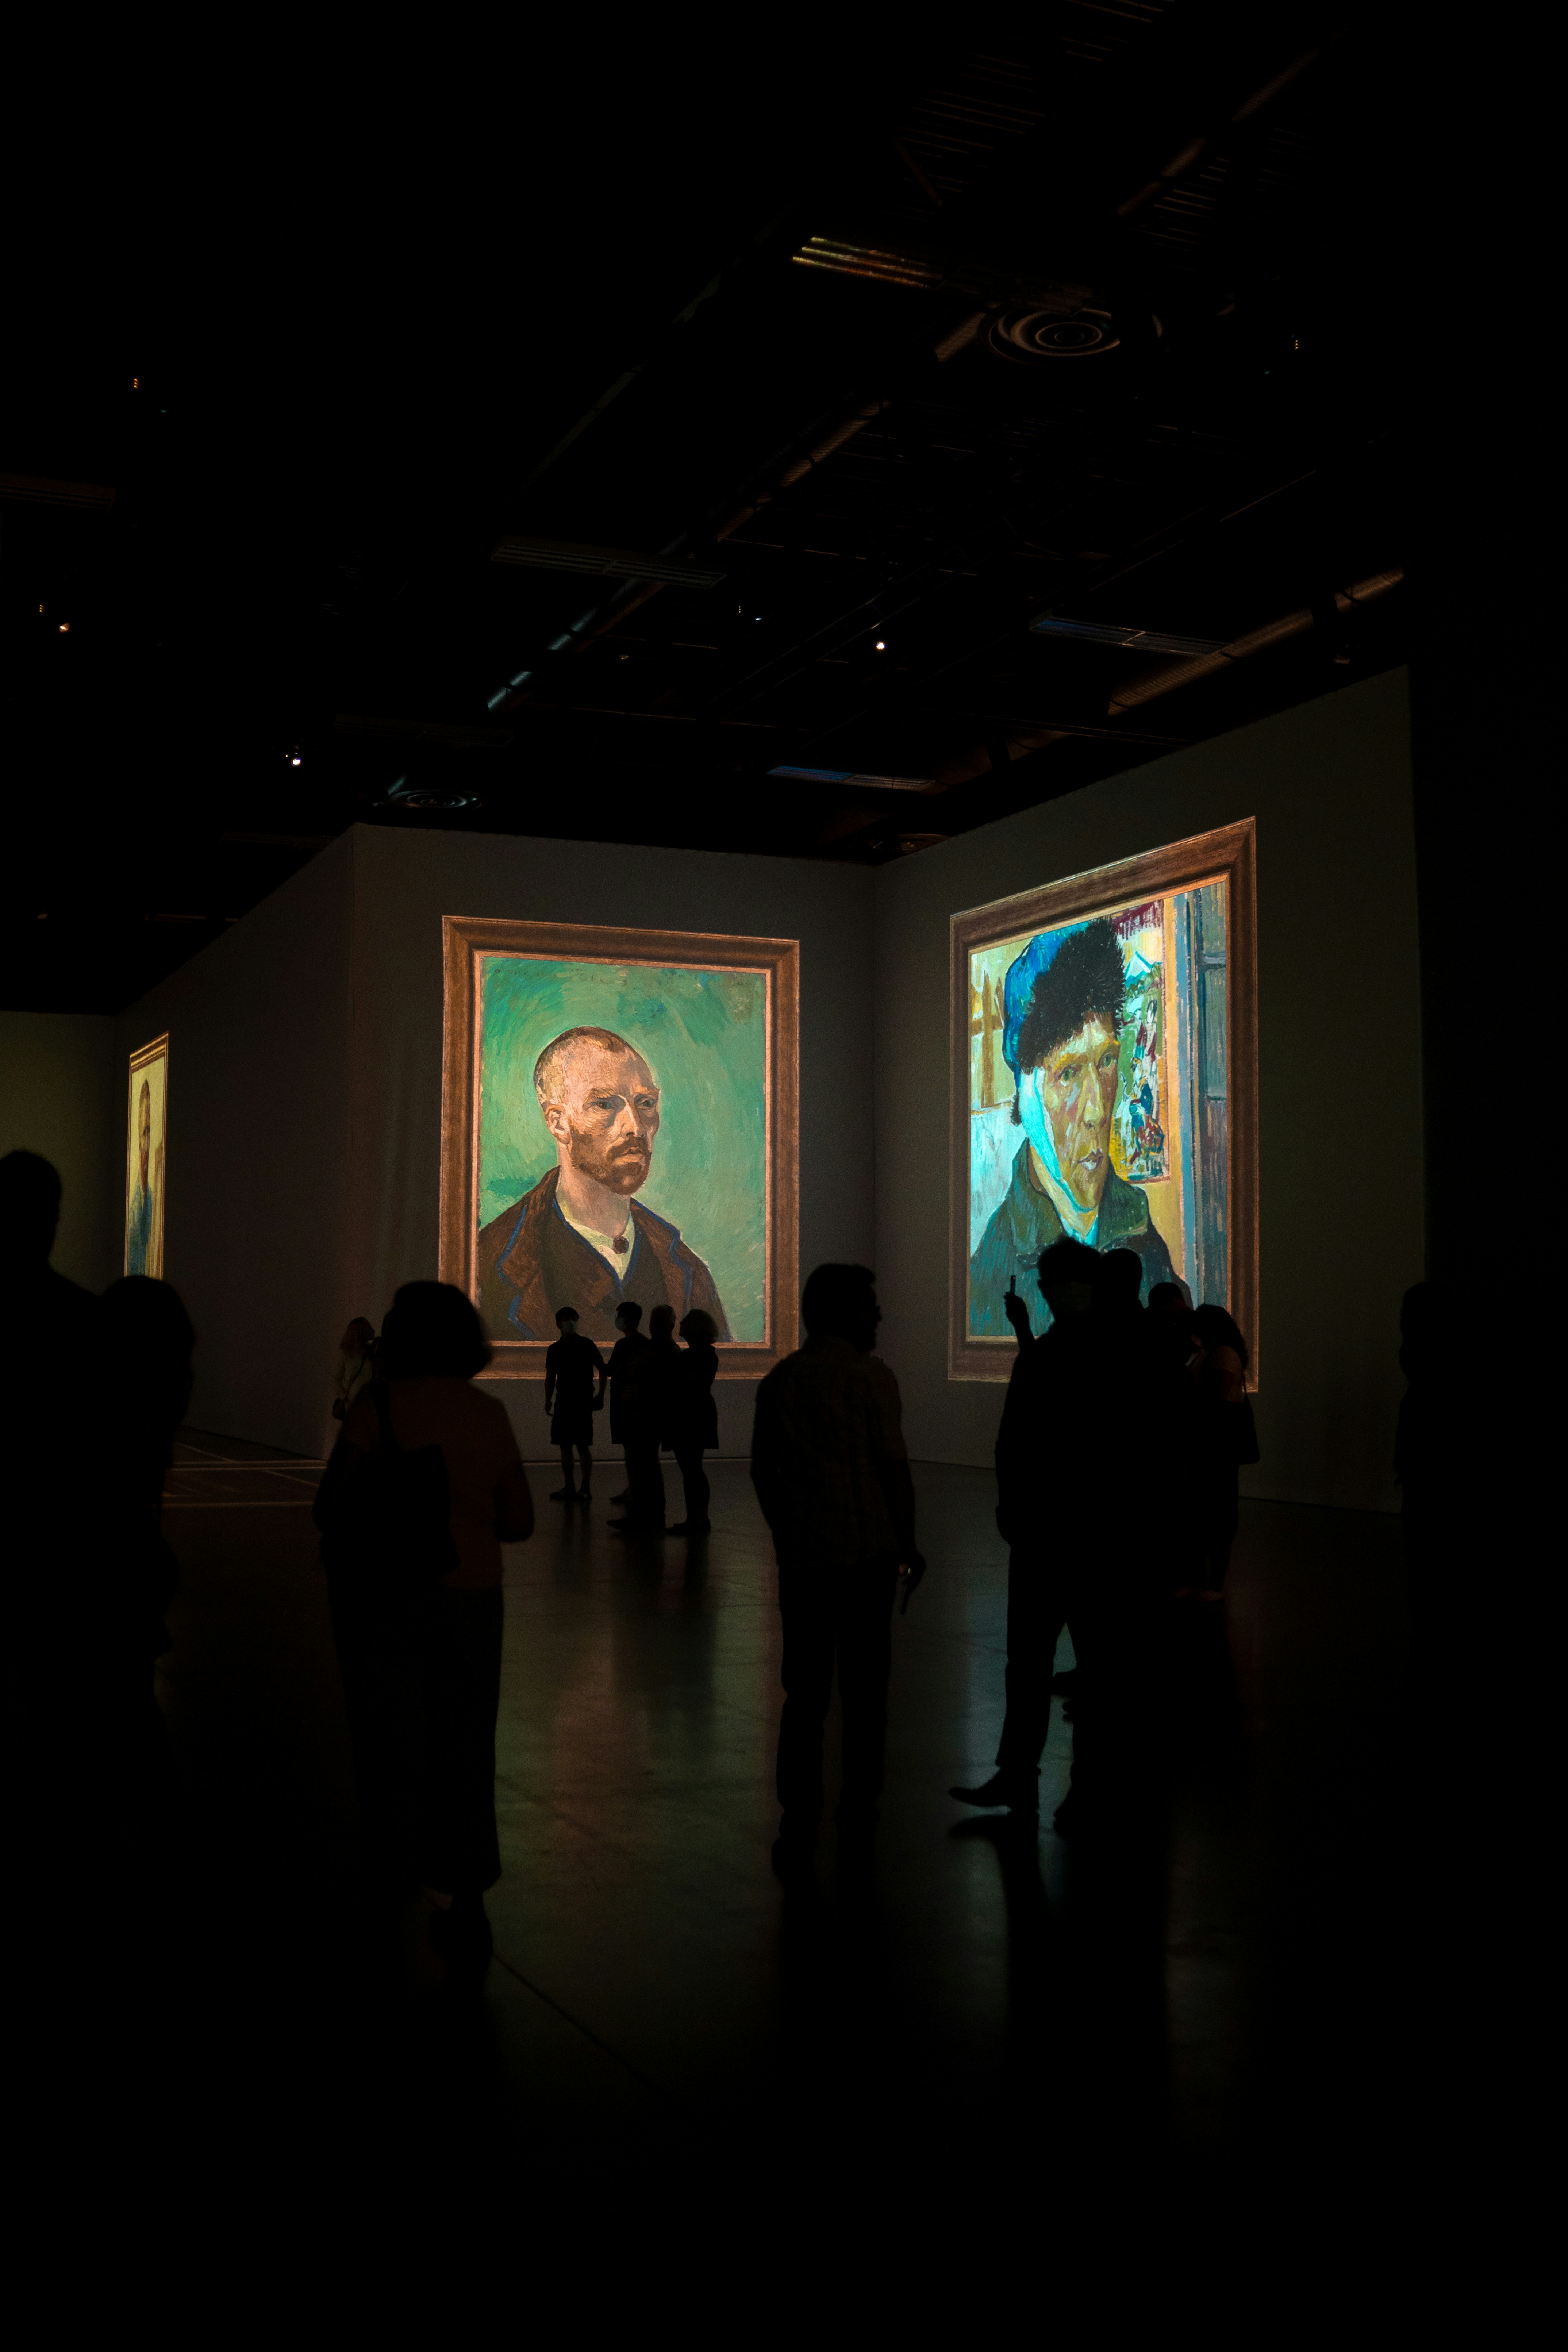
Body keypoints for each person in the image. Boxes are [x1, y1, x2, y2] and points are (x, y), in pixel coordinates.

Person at [314, 1280, 533, 1979]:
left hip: (383, 1592)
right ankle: (463, 1890)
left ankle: (389, 1884)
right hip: (472, 1595)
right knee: (464, 1743)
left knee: (386, 1743)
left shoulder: (380, 1406)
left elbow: (331, 1506)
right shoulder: (488, 1412)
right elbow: (519, 1520)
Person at [952, 1236, 1177, 1834]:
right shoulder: (1100, 1351)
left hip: (1074, 1537)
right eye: (1058, 1279)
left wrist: (1014, 1507)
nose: (1062, 1289)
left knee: (1065, 1666)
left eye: (1066, 1279)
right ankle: (1046, 1780)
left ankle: (1059, 1782)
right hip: (1069, 1536)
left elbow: (1024, 1439)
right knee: (1055, 1665)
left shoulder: (1094, 1353)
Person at [750, 1263, 925, 1879]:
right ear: (842, 1313)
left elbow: (763, 1472)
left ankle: (798, 1814)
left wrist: (788, 1532)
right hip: (866, 1557)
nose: (877, 1315)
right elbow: (893, 1468)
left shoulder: (780, 1381)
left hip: (804, 1561)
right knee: (864, 1691)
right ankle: (859, 1806)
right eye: (867, 1305)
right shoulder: (870, 1378)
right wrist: (907, 1540)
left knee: (804, 1694)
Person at [969, 919, 1177, 1337]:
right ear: (1027, 1091)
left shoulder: (1144, 1236)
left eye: (1105, 1062)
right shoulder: (993, 1271)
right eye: (1068, 1073)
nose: (1098, 1110)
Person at [476, 1026, 730, 1343]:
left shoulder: (686, 1270)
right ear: (558, 1123)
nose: (636, 1127)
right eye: (605, 1105)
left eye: (646, 1103)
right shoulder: (489, 1263)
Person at [1187, 1303, 1254, 1602]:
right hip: (1214, 1442)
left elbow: (1216, 1395)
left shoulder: (1222, 1353)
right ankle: (1208, 1582)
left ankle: (1214, 1584)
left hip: (1216, 1442)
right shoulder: (1217, 1352)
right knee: (1210, 1511)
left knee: (1217, 1512)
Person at [610, 1303, 677, 1532]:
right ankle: (641, 1513)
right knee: (639, 1466)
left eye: (660, 1321)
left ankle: (650, 1516)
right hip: (636, 1415)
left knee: (646, 1466)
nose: (655, 1325)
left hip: (650, 1416)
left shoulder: (670, 1351)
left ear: (671, 1324)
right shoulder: (650, 1348)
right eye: (654, 1321)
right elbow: (621, 1373)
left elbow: (631, 1373)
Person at [543, 1305, 606, 1501]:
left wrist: (601, 1395)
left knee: (582, 1445)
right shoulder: (554, 1349)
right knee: (565, 1446)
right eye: (566, 1319)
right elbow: (551, 1376)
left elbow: (603, 1369)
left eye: (574, 1318)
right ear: (558, 1324)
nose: (571, 1322)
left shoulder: (587, 1345)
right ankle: (569, 1487)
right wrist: (548, 1399)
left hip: (582, 1402)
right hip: (563, 1402)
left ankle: (585, 1488)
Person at [666, 1308, 719, 1534]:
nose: (680, 1326)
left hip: (690, 1413)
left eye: (685, 1322)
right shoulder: (704, 1354)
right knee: (692, 1468)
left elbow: (685, 1383)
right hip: (695, 1411)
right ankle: (699, 1518)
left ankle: (696, 1519)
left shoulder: (698, 1355)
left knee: (691, 1469)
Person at [604, 1300, 649, 1503]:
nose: (617, 1320)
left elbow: (611, 1370)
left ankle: (636, 1491)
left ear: (629, 1320)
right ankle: (634, 1488)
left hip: (626, 1403)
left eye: (619, 1316)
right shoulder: (645, 1343)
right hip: (636, 1403)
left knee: (632, 1450)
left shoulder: (624, 1345)